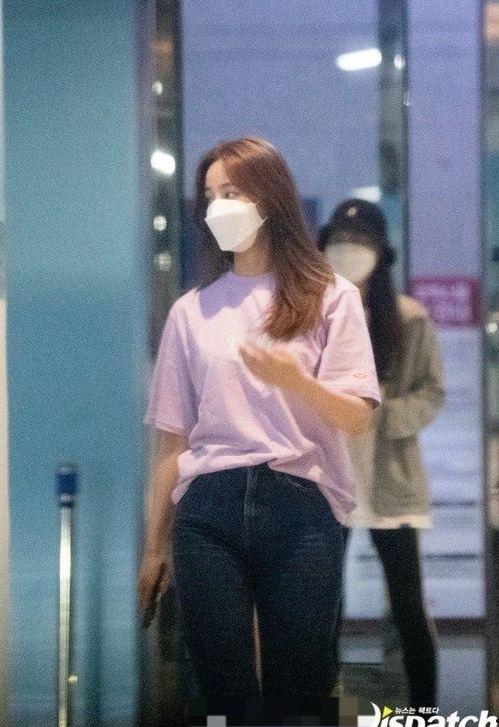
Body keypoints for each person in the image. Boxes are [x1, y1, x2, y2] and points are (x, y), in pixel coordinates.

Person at [137, 137, 381, 699]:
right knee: (221, 688)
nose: (218, 206)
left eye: (232, 192)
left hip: (300, 505)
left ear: (270, 198)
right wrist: (154, 547)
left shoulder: (331, 297)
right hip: (208, 509)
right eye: (210, 195)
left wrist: (296, 382)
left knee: (301, 686)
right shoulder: (190, 310)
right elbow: (172, 441)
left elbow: (357, 418)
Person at [318, 199, 445, 709]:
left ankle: (424, 713)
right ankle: (327, 709)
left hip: (391, 479)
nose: (348, 253)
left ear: (380, 254)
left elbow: (432, 393)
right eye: (339, 243)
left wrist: (381, 416)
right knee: (324, 608)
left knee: (408, 607)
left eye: (359, 244)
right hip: (329, 476)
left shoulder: (409, 319)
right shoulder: (314, 315)